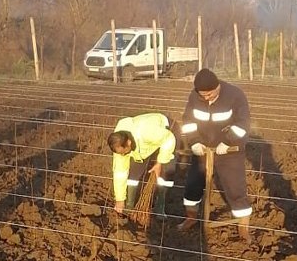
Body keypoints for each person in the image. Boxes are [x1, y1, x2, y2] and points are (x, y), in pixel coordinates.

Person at [177, 69, 252, 238]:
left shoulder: (235, 95)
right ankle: (191, 218)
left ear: (218, 86)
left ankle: (243, 227)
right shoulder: (194, 97)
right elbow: (188, 120)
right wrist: (194, 141)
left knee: (235, 187)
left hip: (229, 150)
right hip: (203, 149)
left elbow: (243, 123)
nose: (206, 98)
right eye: (203, 95)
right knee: (193, 183)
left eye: (210, 94)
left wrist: (228, 141)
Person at [107, 113, 177, 218]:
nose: (122, 155)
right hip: (144, 144)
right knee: (133, 174)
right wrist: (120, 199)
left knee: (165, 172)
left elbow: (168, 138)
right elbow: (120, 173)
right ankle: (129, 207)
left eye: (124, 152)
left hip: (167, 132)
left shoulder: (148, 133)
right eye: (120, 153)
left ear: (129, 142)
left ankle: (160, 208)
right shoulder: (118, 144)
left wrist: (160, 162)